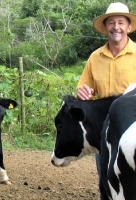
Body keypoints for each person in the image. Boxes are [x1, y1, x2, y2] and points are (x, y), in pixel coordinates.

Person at [76, 1, 136, 198]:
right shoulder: (95, 57)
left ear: (128, 27)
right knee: (106, 179)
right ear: (105, 27)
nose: (116, 27)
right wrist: (83, 92)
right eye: (111, 23)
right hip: (106, 131)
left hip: (132, 134)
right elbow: (84, 88)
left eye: (120, 22)